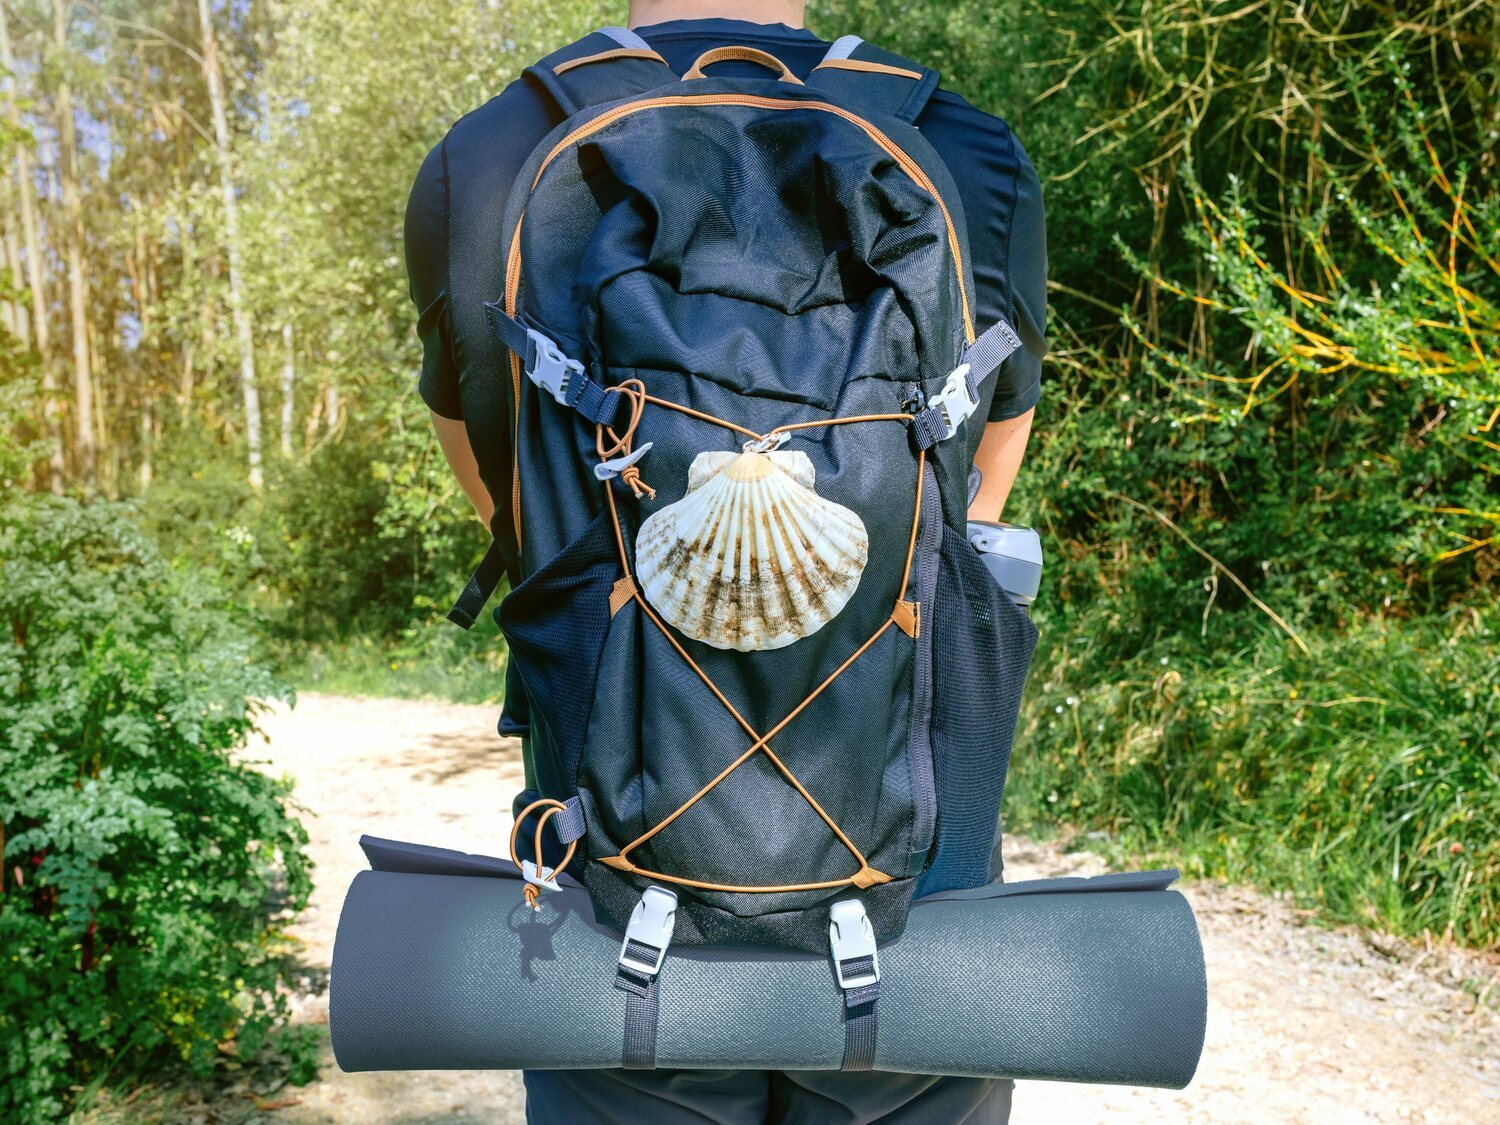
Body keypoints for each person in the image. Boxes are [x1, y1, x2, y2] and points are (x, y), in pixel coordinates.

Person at [404, 1, 1046, 1121]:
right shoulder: (967, 151)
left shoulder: (492, 151)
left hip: (612, 900)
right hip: (914, 902)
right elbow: (978, 497)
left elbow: (508, 506)